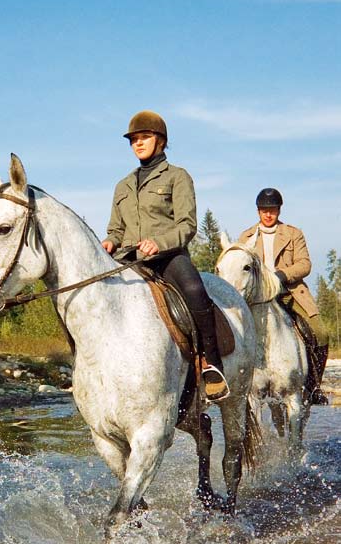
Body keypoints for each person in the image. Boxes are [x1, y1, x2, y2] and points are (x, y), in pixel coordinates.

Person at [102, 110, 229, 401]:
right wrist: (110, 241)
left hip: (168, 257)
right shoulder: (122, 186)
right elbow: (116, 229)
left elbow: (187, 225)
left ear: (161, 141)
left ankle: (213, 364)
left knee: (196, 290)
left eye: (144, 137)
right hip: (130, 259)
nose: (138, 143)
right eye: (133, 140)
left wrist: (159, 243)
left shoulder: (177, 177)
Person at [238, 188, 329, 405]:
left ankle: (314, 386)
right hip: (257, 296)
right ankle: (232, 384)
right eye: (264, 210)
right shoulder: (246, 237)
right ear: (258, 211)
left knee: (321, 333)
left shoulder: (293, 233)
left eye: (272, 210)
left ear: (279, 210)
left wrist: (281, 275)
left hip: (289, 292)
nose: (268, 215)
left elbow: (305, 264)